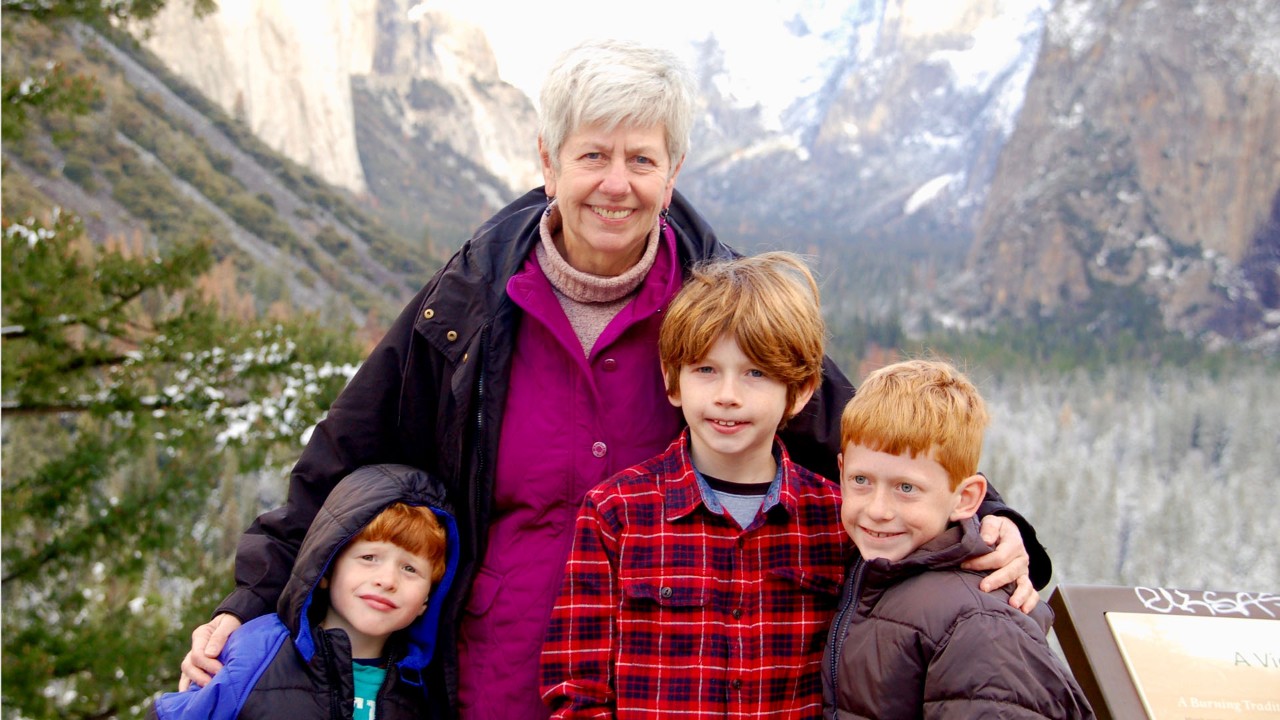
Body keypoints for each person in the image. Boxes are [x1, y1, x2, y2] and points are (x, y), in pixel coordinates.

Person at [179, 39, 1048, 720]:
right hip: (493, 678)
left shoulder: (723, 315)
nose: (616, 184)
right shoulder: (469, 302)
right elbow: (345, 451)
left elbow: (864, 433)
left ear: (674, 175)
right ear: (548, 164)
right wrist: (249, 599)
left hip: (676, 682)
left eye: (642, 159)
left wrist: (990, 521)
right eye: (593, 156)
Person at [541, 252, 849, 718]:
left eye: (756, 373)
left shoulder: (838, 521)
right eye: (706, 370)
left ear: (801, 391)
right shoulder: (615, 513)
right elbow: (575, 689)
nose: (728, 394)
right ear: (673, 380)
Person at [823, 359, 1094, 719]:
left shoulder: (979, 623)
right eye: (861, 481)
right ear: (840, 471)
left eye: (906, 488)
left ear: (966, 498)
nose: (877, 509)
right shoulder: (873, 577)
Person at [152, 464, 459, 719]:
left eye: (410, 569)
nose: (387, 580)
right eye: (369, 558)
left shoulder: (423, 691)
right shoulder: (257, 650)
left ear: (427, 599)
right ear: (325, 570)